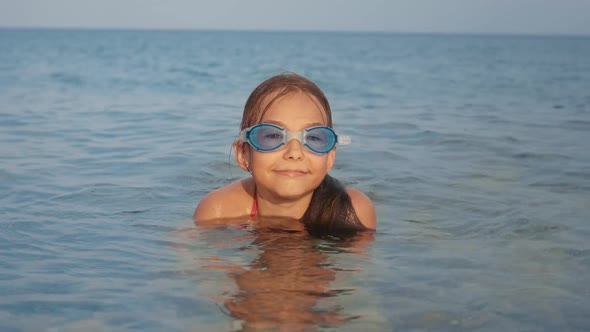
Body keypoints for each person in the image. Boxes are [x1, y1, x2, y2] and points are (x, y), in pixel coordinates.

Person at [193, 73, 376, 235]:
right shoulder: (217, 212)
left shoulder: (352, 213)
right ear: (243, 154)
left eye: (313, 138)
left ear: (330, 157)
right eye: (272, 136)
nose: (294, 153)